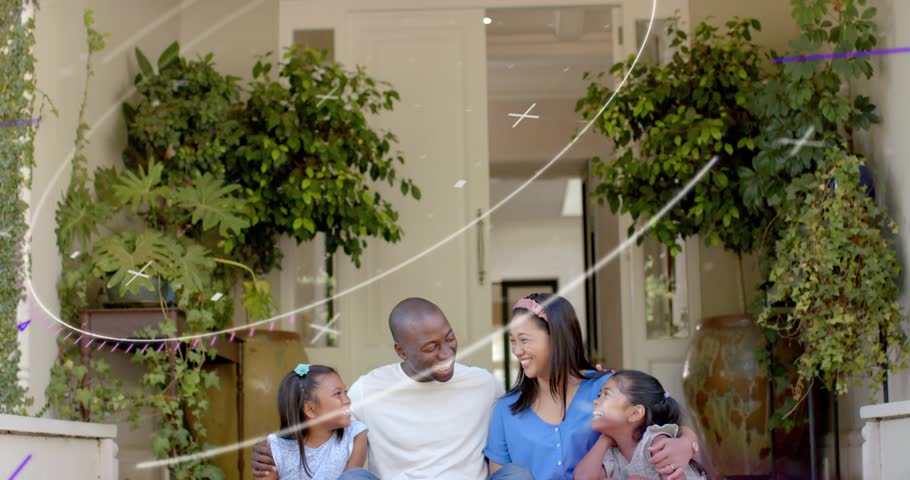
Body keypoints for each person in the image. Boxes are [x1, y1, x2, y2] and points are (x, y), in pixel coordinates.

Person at [253, 297, 534, 479]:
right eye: (431, 348)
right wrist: (277, 450)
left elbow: (516, 435)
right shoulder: (368, 390)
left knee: (516, 475)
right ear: (401, 351)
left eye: (449, 338)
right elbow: (323, 429)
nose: (446, 353)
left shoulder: (484, 385)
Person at [484, 294, 699, 480]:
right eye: (513, 341)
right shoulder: (506, 409)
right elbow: (501, 475)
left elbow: (665, 413)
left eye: (524, 340)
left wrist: (687, 444)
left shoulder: (604, 389)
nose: (517, 350)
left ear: (557, 338)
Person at [573, 370, 708, 480]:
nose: (596, 401)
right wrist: (604, 440)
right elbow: (582, 477)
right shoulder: (612, 452)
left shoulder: (655, 441)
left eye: (606, 395)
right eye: (599, 394)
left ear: (635, 413)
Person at [261, 363, 368, 480]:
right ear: (310, 409)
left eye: (345, 392)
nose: (347, 400)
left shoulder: (355, 435)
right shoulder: (275, 448)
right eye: (337, 394)